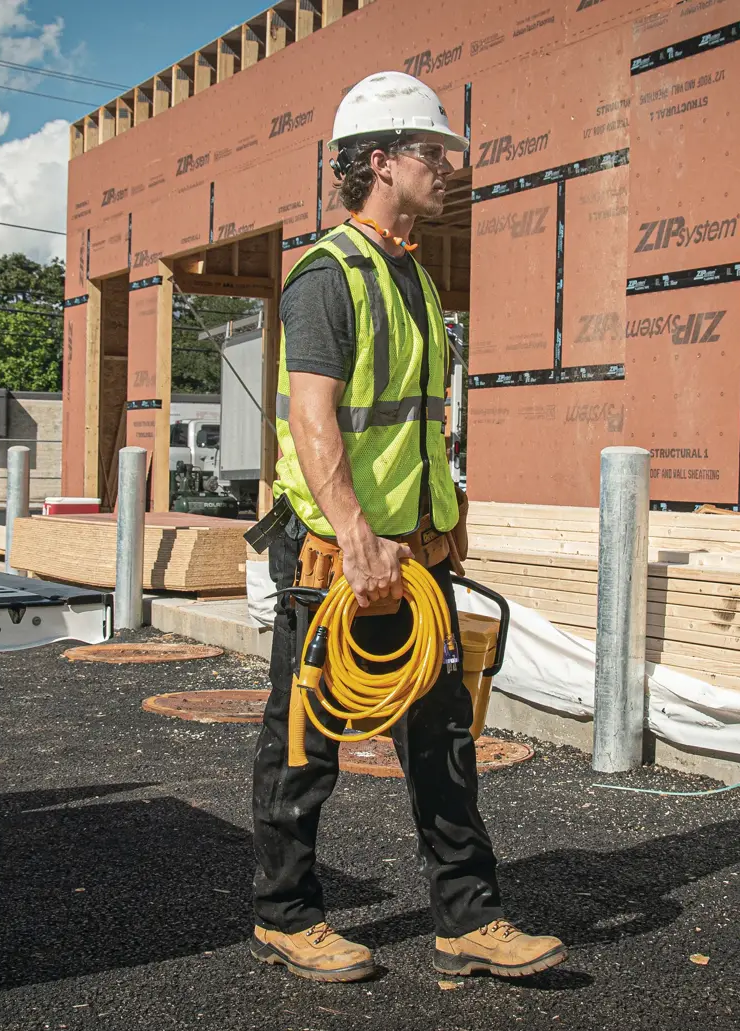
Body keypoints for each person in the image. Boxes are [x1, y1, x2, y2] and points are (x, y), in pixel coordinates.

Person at [248, 70, 565, 984]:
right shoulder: (326, 276)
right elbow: (314, 419)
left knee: (443, 750)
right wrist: (354, 534)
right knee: (306, 745)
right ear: (380, 161)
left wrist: (443, 516)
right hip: (336, 560)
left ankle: (468, 919)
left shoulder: (417, 278)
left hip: (415, 560)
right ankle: (285, 915)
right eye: (436, 152)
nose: (451, 168)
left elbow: (417, 419)